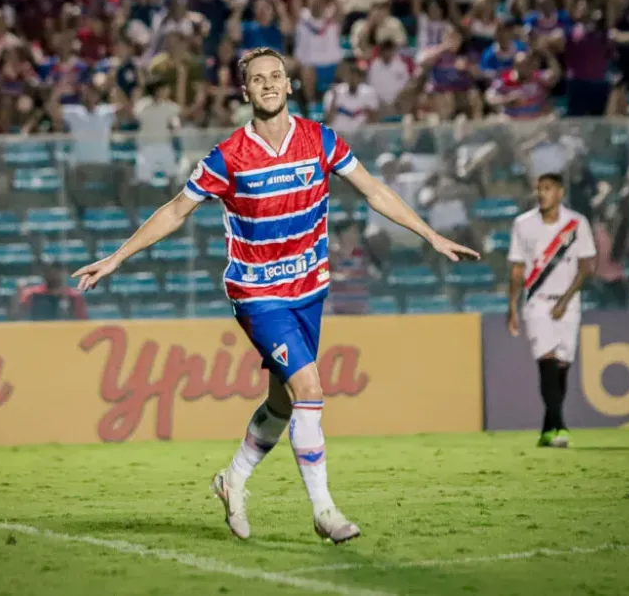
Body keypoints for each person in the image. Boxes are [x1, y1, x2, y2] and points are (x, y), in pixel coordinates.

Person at [72, 47, 480, 543]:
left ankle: (232, 480)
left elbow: (374, 190)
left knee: (283, 404)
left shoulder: (321, 141)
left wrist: (429, 234)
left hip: (310, 291)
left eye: (275, 76)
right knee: (309, 390)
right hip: (258, 293)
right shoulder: (228, 157)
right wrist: (118, 256)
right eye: (257, 79)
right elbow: (177, 210)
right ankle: (325, 511)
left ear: (289, 85)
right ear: (245, 92)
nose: (267, 84)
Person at [507, 173, 596, 448]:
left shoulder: (576, 223)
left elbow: (586, 268)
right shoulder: (523, 224)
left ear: (560, 192)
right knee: (546, 361)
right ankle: (561, 427)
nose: (541, 194)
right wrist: (512, 305)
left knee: (561, 367)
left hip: (567, 304)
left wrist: (566, 300)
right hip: (537, 301)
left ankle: (548, 429)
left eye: (547, 189)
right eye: (539, 189)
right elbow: (518, 269)